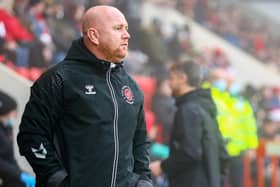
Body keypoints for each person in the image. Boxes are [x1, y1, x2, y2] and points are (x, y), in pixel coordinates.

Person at [17, 5, 153, 187]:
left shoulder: (131, 87)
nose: (127, 35)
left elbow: (140, 141)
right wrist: (57, 178)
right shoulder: (59, 79)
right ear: (94, 36)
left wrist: (143, 179)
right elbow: (31, 135)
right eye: (118, 28)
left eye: (126, 29)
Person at [149, 60, 228, 187]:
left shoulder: (188, 109)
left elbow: (190, 152)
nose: (169, 83)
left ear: (183, 79)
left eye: (172, 78)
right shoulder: (205, 107)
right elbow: (222, 153)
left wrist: (162, 166)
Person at [0, 90, 35, 187]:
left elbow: (8, 156)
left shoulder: (7, 128)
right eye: (12, 113)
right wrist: (18, 174)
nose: (14, 116)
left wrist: (20, 173)